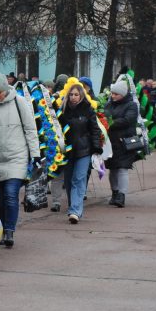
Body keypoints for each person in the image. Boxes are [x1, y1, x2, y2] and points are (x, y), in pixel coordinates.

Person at [0, 72, 40, 248]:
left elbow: (30, 129)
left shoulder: (19, 102)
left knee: (10, 194)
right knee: (0, 198)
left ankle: (9, 231)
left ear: (6, 89)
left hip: (17, 157)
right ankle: (2, 228)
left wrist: (35, 153)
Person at [57, 79, 101, 223]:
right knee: (69, 181)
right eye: (71, 94)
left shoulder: (88, 110)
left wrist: (96, 148)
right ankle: (73, 206)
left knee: (79, 179)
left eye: (76, 94)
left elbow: (95, 129)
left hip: (84, 150)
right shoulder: (62, 111)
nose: (73, 97)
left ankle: (75, 210)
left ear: (81, 95)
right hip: (67, 151)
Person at [105, 77, 141, 208]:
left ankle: (121, 195)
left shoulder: (131, 105)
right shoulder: (109, 104)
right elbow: (103, 116)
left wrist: (110, 123)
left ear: (123, 94)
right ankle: (114, 192)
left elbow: (128, 120)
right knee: (113, 169)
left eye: (116, 94)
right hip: (110, 142)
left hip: (124, 142)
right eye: (112, 93)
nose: (113, 96)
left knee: (122, 169)